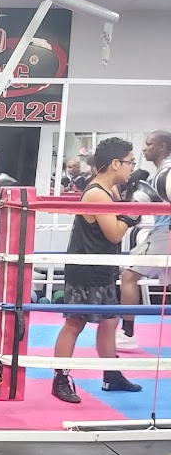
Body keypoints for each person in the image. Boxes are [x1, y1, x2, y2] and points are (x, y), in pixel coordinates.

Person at [51, 136, 143, 404]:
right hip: (85, 269)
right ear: (115, 163)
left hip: (103, 267)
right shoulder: (96, 193)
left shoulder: (110, 191)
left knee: (110, 321)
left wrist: (127, 205)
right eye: (129, 162)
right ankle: (60, 379)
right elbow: (114, 233)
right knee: (75, 323)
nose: (132, 167)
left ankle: (111, 375)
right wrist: (131, 215)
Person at [117, 130, 171, 351]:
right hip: (162, 231)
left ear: (162, 146)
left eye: (149, 144)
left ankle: (127, 334)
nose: (144, 148)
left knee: (128, 274)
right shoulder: (161, 173)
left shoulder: (167, 172)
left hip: (166, 233)